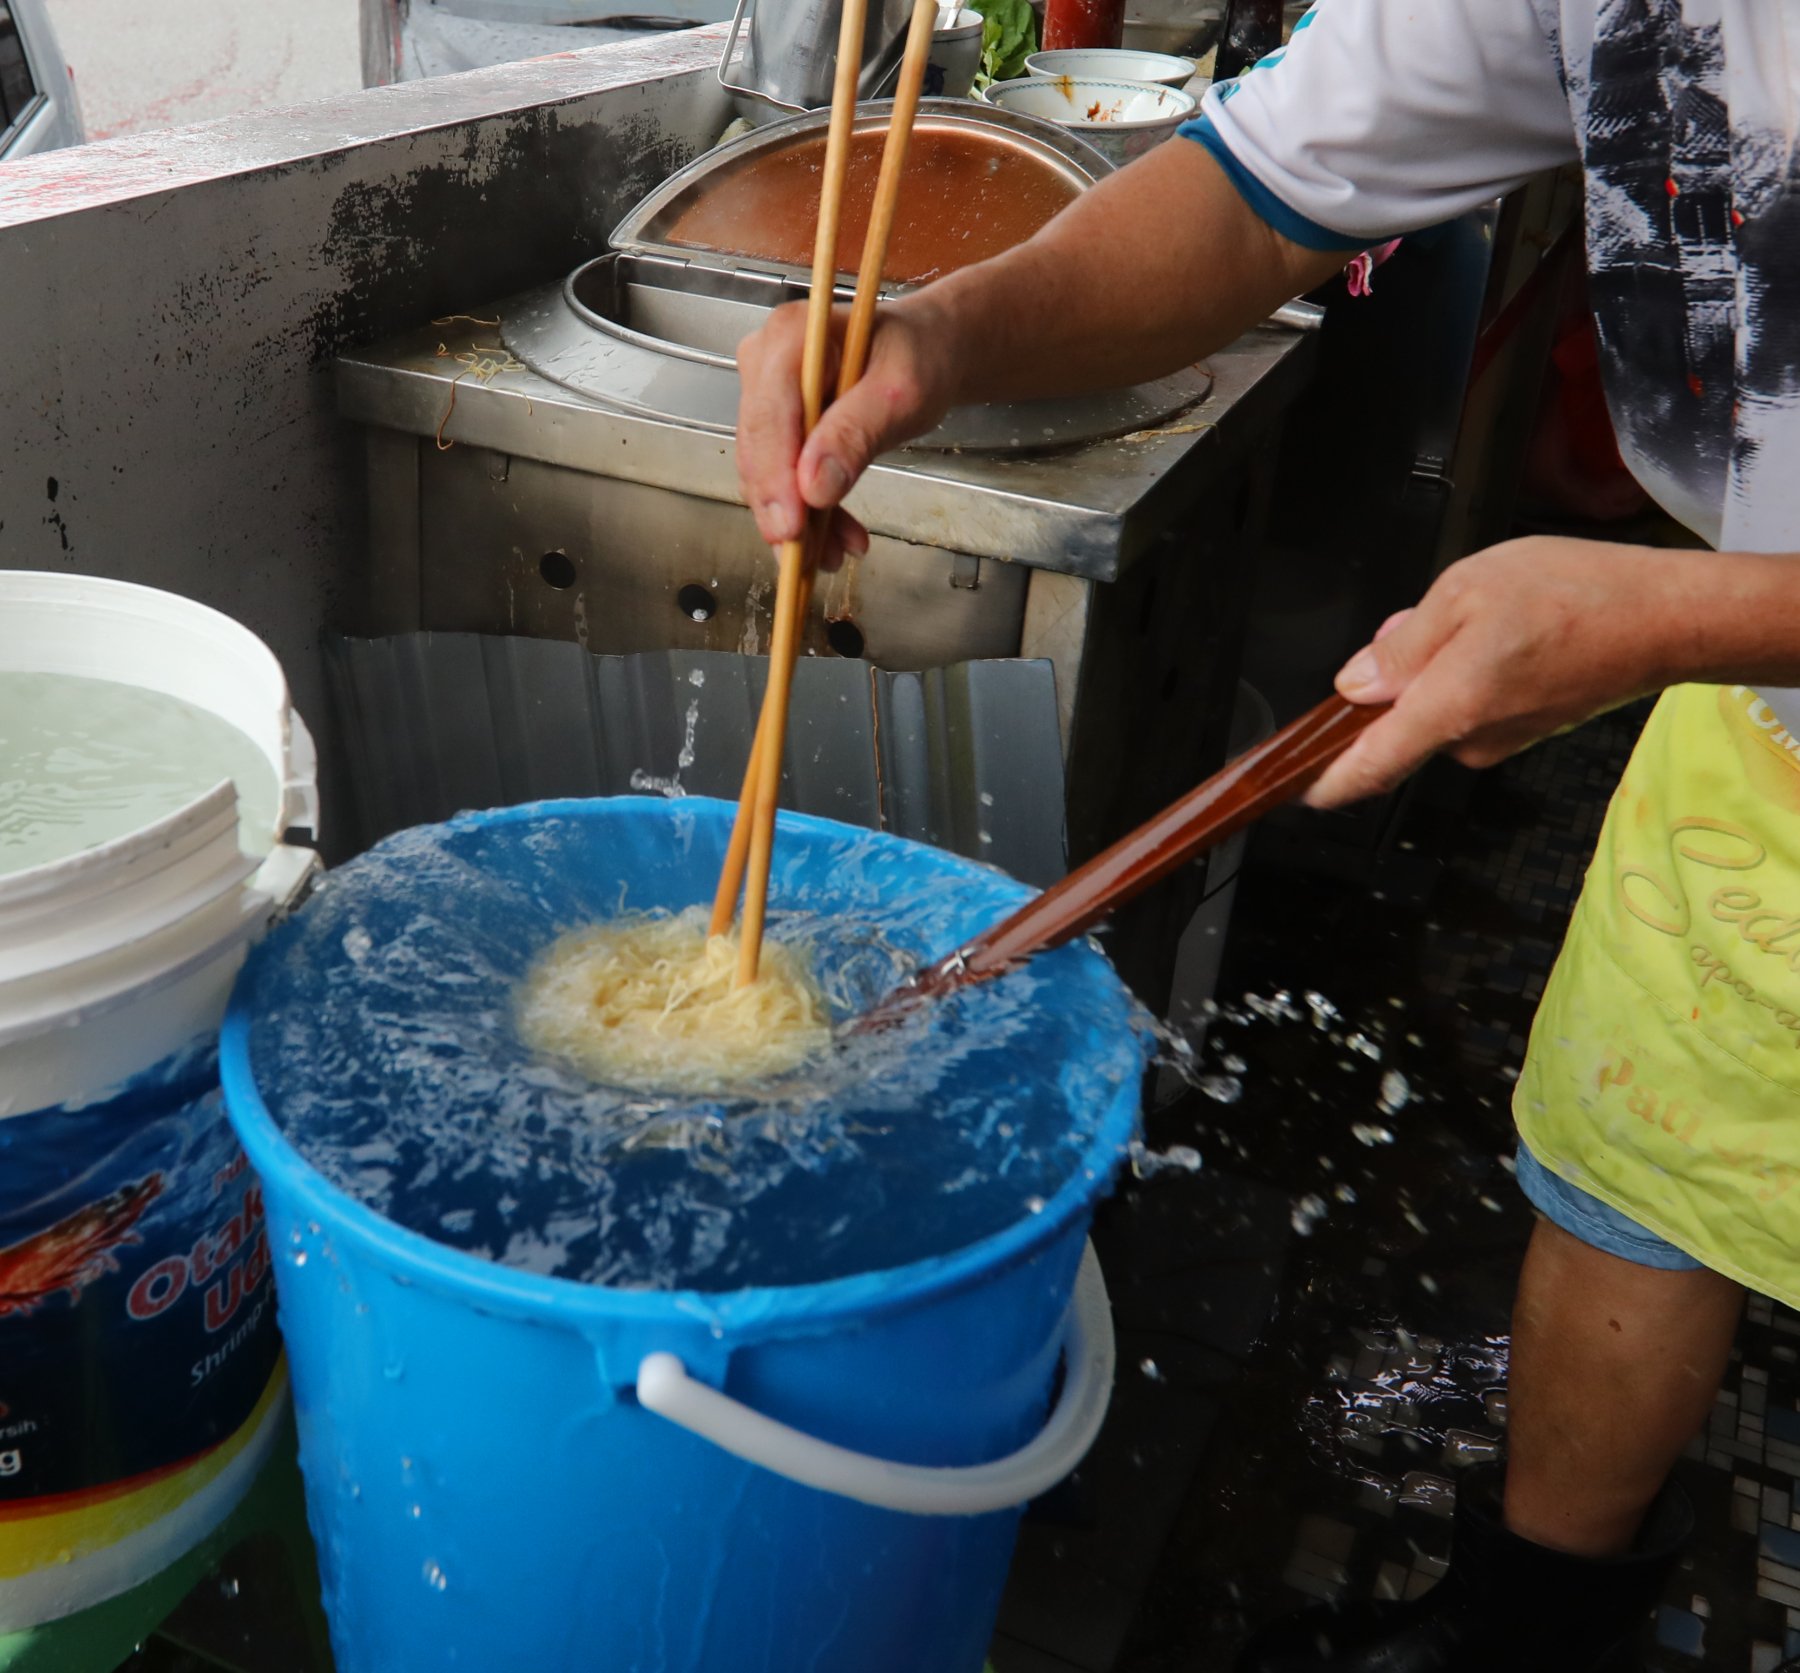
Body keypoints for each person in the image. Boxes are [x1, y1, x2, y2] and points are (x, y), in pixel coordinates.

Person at [733, 3, 1800, 1669]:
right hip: (1757, 711)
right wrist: (939, 340)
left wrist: (1680, 611)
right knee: (1630, 1168)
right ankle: (1532, 1621)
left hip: (1728, 628)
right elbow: (1258, 189)